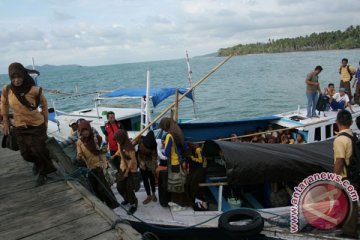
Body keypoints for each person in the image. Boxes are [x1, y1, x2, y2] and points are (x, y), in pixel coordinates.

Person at [1, 62, 56, 186]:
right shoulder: (7, 89)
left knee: (38, 150)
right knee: (25, 154)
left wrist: (46, 121)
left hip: (37, 125)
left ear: (24, 76)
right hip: (19, 126)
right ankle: (38, 164)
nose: (17, 80)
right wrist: (5, 122)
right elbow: (3, 104)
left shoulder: (34, 90)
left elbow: (45, 105)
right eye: (13, 77)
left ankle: (43, 174)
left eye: (19, 77)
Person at [76, 120, 119, 209]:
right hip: (90, 168)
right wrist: (79, 156)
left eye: (86, 130)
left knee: (103, 188)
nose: (85, 133)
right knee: (94, 188)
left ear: (89, 129)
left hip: (100, 167)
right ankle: (102, 204)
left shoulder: (97, 138)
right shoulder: (79, 142)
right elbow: (79, 153)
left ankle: (113, 205)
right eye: (83, 131)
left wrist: (100, 150)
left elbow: (105, 149)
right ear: (80, 132)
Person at [333, 110, 358, 239]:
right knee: (351, 202)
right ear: (351, 122)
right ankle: (348, 227)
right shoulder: (353, 136)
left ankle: (350, 232)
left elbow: (339, 161)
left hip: (345, 177)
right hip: (354, 174)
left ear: (337, 122)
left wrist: (334, 179)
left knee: (348, 203)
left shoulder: (340, 140)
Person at [159, 117, 191, 207]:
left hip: (174, 163)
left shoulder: (169, 136)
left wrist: (160, 151)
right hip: (180, 161)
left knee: (175, 184)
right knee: (180, 182)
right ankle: (181, 202)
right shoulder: (178, 133)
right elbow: (184, 147)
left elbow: (166, 153)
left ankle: (179, 203)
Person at [112, 129, 138, 215]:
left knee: (129, 188)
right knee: (119, 186)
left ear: (122, 138)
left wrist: (127, 172)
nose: (117, 141)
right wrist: (114, 155)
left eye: (118, 139)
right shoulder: (120, 144)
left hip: (130, 170)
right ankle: (126, 199)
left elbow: (132, 161)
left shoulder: (130, 148)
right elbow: (119, 151)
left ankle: (134, 204)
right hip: (122, 168)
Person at [134, 130, 158, 204]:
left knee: (152, 179)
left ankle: (154, 194)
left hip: (150, 163)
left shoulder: (154, 144)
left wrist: (153, 168)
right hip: (141, 161)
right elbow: (133, 146)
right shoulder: (141, 139)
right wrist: (141, 162)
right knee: (145, 180)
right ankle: (148, 195)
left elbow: (154, 157)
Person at [186, 143, 208, 211]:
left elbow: (201, 160)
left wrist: (192, 158)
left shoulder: (198, 150)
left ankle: (196, 198)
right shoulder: (197, 150)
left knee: (194, 183)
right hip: (200, 168)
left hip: (201, 168)